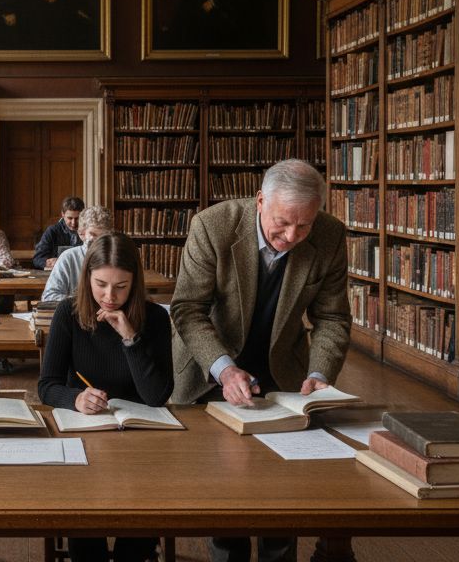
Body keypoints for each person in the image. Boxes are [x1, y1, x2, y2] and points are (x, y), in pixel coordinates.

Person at [169, 158, 349, 562]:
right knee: (226, 493)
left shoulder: (330, 235)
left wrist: (321, 373)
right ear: (259, 201)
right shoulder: (213, 225)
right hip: (210, 369)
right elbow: (187, 310)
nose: (292, 236)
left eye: (304, 226)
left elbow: (332, 317)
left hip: (283, 374)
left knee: (283, 495)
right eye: (283, 223)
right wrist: (224, 366)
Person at [37, 232, 173, 562]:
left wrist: (130, 338)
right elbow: (47, 385)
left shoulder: (155, 319)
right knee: (85, 538)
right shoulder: (68, 314)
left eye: (121, 286)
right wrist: (75, 399)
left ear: (135, 282)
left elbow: (156, 396)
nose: (109, 296)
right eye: (101, 284)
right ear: (86, 278)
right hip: (85, 435)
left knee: (137, 541)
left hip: (141, 440)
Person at [41, 205, 113, 302]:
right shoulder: (68, 257)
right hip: (76, 314)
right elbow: (49, 297)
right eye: (93, 235)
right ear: (81, 233)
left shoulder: (116, 257)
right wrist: (85, 303)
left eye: (104, 236)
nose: (100, 241)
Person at [33, 195, 84, 270]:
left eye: (77, 218)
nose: (73, 223)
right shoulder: (52, 231)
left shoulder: (88, 232)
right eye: (70, 218)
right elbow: (37, 259)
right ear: (63, 214)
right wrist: (48, 262)